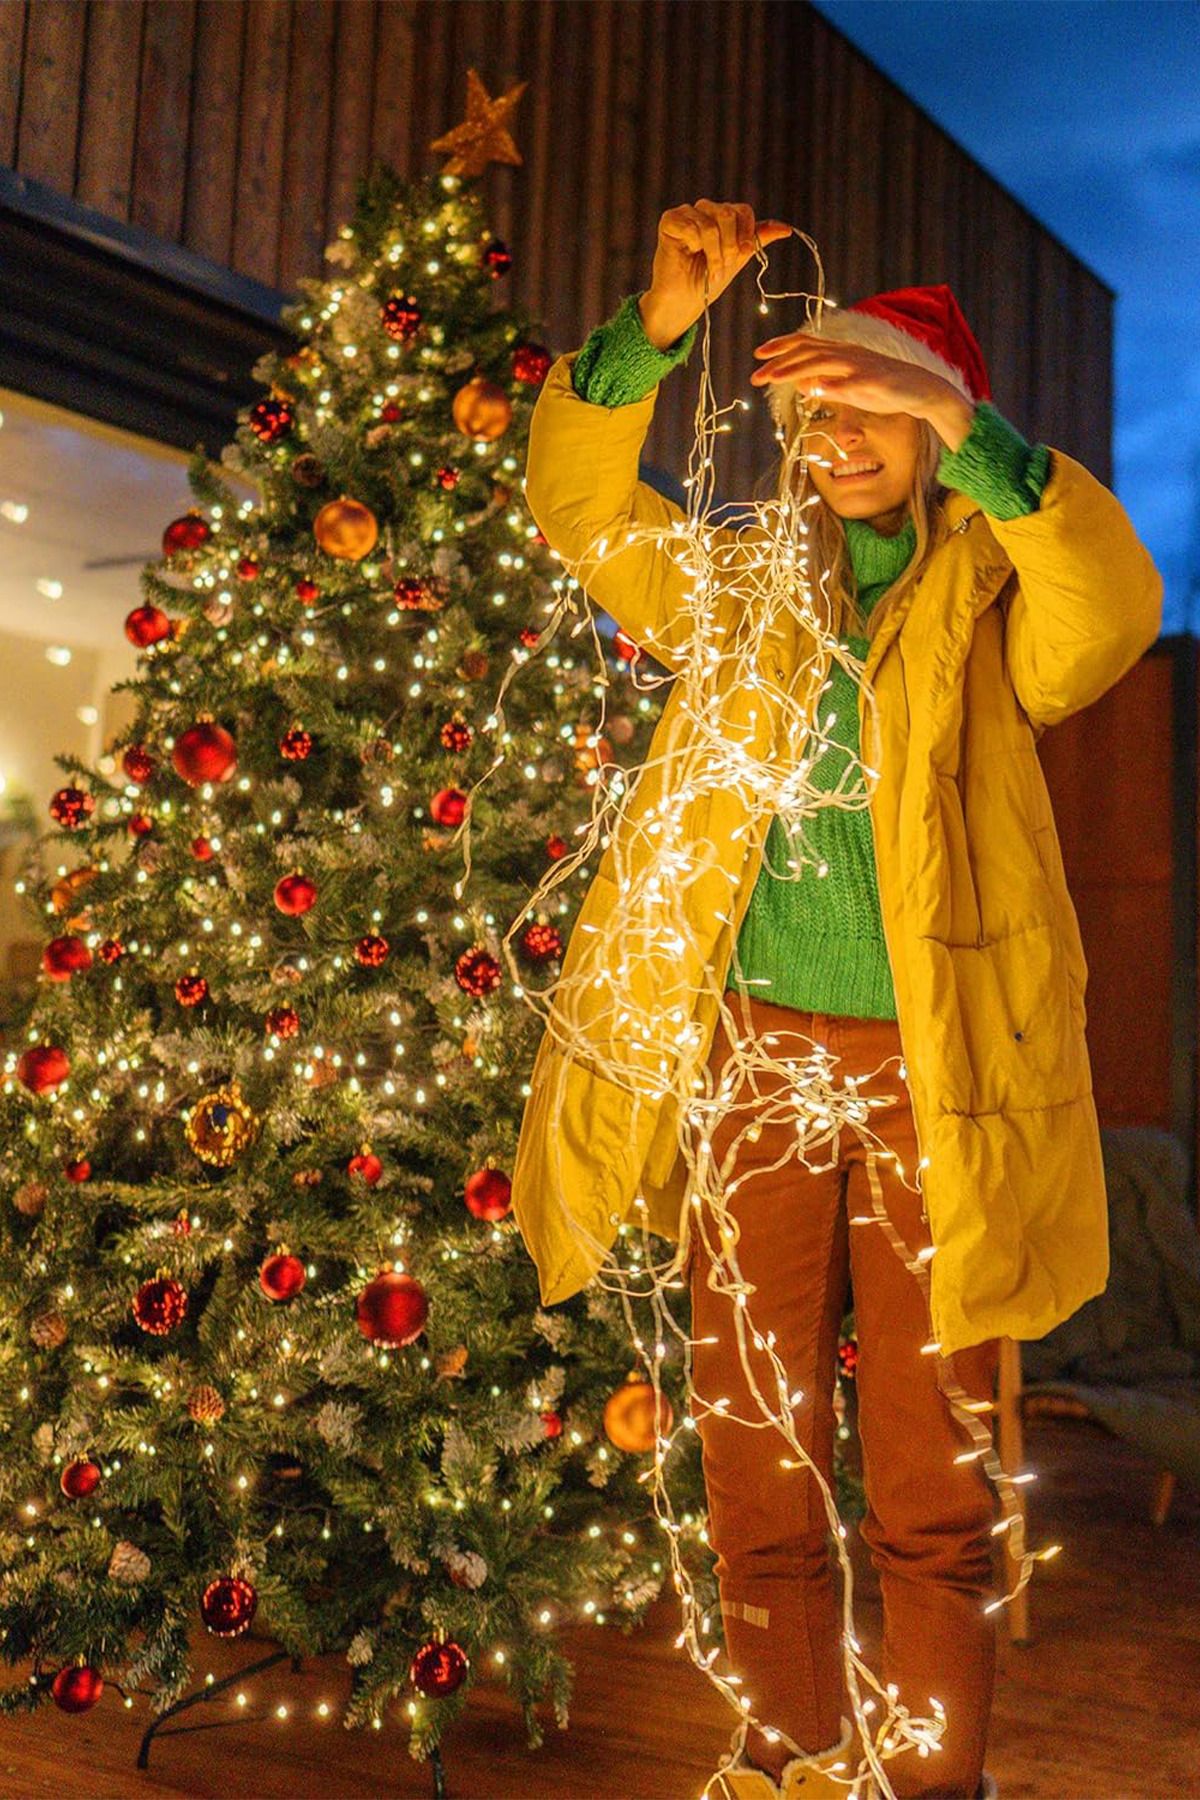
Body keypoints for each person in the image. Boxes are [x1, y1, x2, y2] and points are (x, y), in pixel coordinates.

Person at [510, 201, 1163, 1800]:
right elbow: (579, 507)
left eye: (876, 405)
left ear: (934, 424)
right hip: (746, 1067)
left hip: (937, 1078)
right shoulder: (738, 591)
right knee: (752, 1445)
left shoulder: (1001, 607)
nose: (837, 437)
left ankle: (933, 1782)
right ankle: (785, 1758)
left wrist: (980, 436)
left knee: (938, 1476)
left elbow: (1115, 611)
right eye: (814, 410)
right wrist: (654, 331)